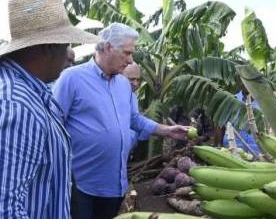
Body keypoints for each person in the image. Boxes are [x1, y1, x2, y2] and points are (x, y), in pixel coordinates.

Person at [0, 0, 99, 218]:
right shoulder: (12, 106)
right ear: (49, 47)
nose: (69, 52)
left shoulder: (25, 90)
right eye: (66, 43)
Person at [52, 22, 190, 219]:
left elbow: (134, 120)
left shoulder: (123, 85)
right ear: (108, 47)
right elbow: (52, 125)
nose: (130, 59)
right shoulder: (71, 78)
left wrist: (166, 130)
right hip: (80, 186)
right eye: (126, 53)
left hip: (115, 186)